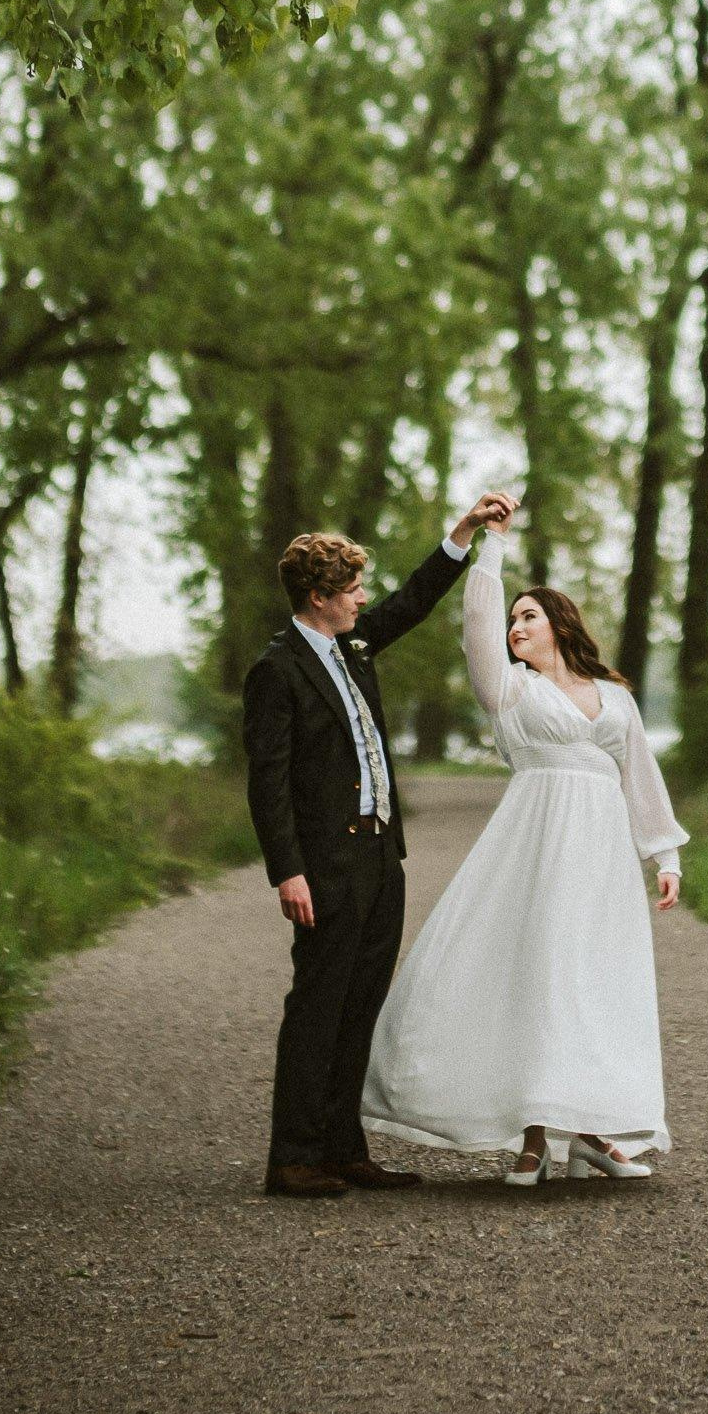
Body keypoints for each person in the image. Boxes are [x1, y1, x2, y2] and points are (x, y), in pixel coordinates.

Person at [362, 502, 688, 1182]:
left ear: (562, 625)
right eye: (513, 619)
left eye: (529, 616)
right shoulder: (510, 689)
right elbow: (477, 625)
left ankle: (594, 1133)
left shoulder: (615, 697)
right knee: (541, 977)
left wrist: (664, 855)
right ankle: (535, 1135)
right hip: (536, 850)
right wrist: (491, 550)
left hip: (600, 859)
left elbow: (640, 775)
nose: (515, 626)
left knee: (595, 982)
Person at [242, 493, 514, 1200]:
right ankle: (294, 1157)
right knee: (318, 1006)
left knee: (363, 1003)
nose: (365, 598)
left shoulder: (355, 646)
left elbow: (415, 600)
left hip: (379, 858)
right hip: (325, 866)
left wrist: (463, 533)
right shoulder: (278, 671)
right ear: (318, 595)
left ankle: (343, 1147)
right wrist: (288, 871)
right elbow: (267, 783)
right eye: (353, 589)